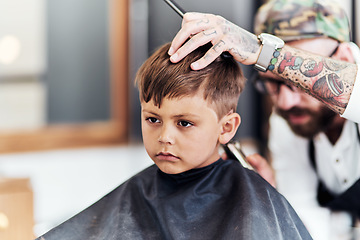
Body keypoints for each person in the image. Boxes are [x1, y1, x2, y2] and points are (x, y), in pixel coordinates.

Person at [36, 42, 312, 239]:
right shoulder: (138, 192)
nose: (165, 137)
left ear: (226, 127)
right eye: (153, 119)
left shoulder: (250, 196)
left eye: (184, 123)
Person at [168, 0, 360, 239]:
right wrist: (274, 199)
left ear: (345, 57)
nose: (286, 103)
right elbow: (308, 220)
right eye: (274, 84)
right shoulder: (289, 122)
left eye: (300, 84)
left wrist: (263, 52)